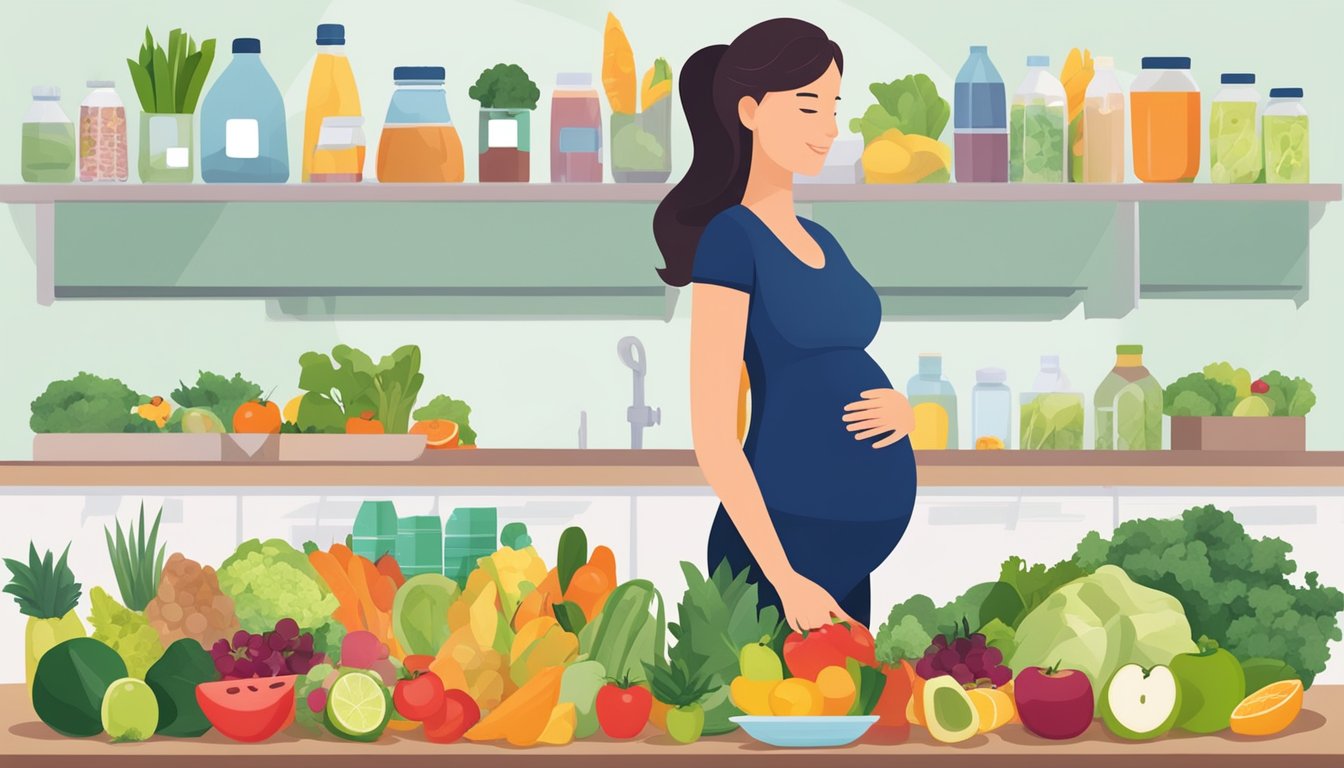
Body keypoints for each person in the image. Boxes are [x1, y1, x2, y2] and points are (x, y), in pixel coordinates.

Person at [653, 18, 918, 632]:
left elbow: (836, 362)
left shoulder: (823, 239)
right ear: (749, 111)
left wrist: (902, 413)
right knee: (775, 716)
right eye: (807, 107)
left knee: (847, 713)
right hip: (779, 552)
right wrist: (784, 578)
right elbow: (715, 438)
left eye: (833, 107)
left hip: (848, 553)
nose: (827, 129)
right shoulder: (731, 239)